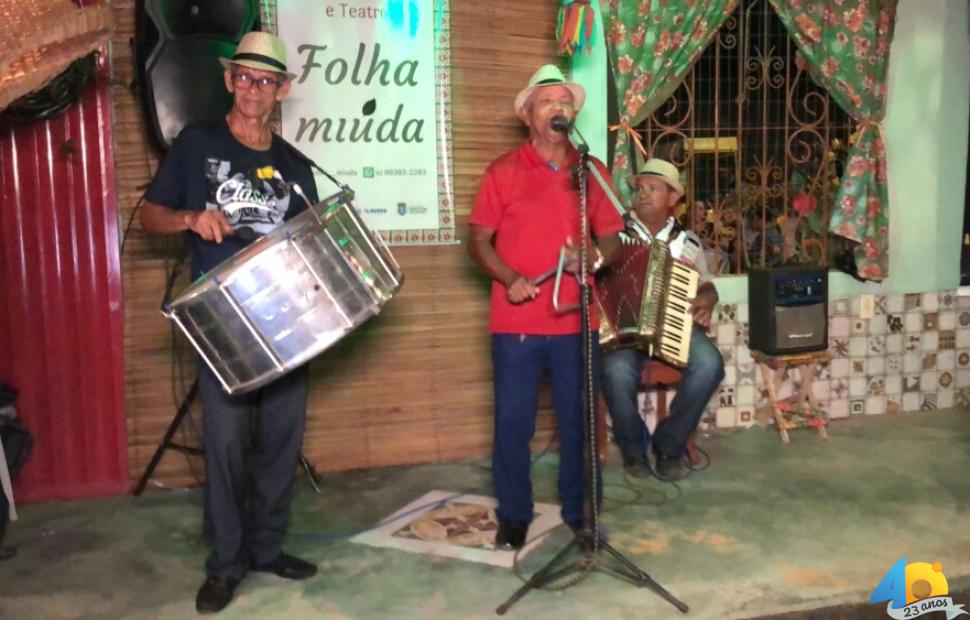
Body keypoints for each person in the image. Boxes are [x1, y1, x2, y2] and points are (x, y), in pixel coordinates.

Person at [140, 31, 319, 614]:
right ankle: (225, 565)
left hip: (288, 323)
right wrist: (192, 216)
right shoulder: (197, 144)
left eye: (264, 80)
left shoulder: (294, 164)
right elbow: (150, 216)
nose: (251, 89)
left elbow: (316, 244)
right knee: (224, 443)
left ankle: (266, 549)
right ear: (227, 80)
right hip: (222, 321)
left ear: (282, 90)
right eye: (243, 77)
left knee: (279, 441)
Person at [467, 65, 624, 550]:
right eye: (548, 102)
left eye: (566, 103)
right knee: (513, 424)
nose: (560, 109)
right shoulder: (503, 171)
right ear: (528, 115)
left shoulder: (590, 171)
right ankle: (514, 514)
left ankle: (582, 513)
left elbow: (612, 235)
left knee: (581, 424)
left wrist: (594, 257)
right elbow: (477, 241)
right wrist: (509, 276)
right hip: (516, 322)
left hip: (576, 320)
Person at [601, 158, 725, 479]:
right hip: (625, 330)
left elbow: (707, 285)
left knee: (710, 364)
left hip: (675, 324)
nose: (643, 194)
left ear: (673, 199)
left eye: (653, 188)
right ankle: (633, 449)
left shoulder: (689, 242)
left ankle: (669, 444)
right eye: (640, 188)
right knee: (614, 370)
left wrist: (708, 299)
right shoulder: (614, 235)